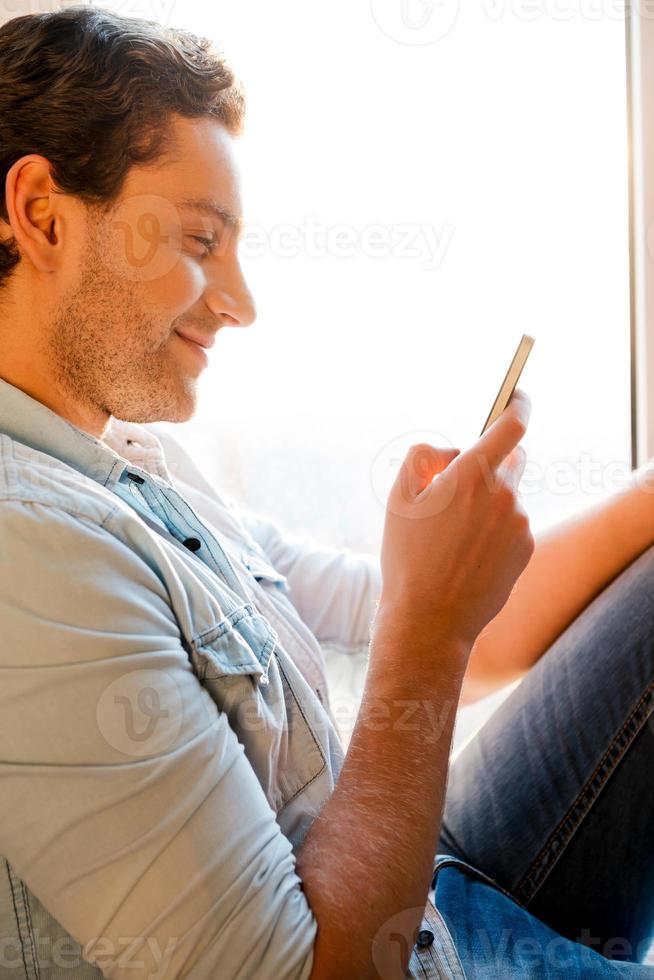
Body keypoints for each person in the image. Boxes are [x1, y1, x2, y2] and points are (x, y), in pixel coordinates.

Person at [0, 6, 652, 978]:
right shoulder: (31, 556)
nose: (240, 301)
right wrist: (429, 631)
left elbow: (417, 621)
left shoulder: (134, 458)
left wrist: (443, 584)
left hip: (423, 886)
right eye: (197, 239)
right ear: (43, 214)